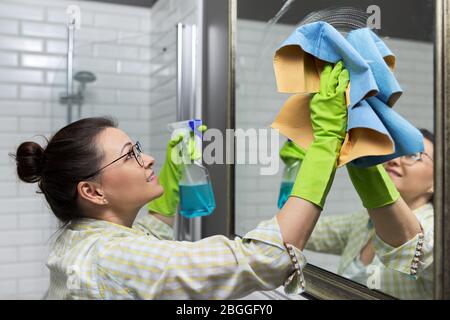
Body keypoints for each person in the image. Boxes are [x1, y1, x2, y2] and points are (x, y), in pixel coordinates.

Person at [10, 62, 350, 300]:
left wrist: (173, 175)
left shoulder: (81, 237)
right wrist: (325, 143)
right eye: (130, 154)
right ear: (92, 191)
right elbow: (267, 259)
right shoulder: (112, 257)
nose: (149, 158)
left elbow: (149, 243)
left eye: (138, 148)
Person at [279, 129, 434, 299]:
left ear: (437, 180)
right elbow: (298, 230)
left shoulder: (437, 229)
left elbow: (420, 249)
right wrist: (299, 166)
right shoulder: (363, 221)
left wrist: (362, 158)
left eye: (413, 155)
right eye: (395, 151)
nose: (394, 160)